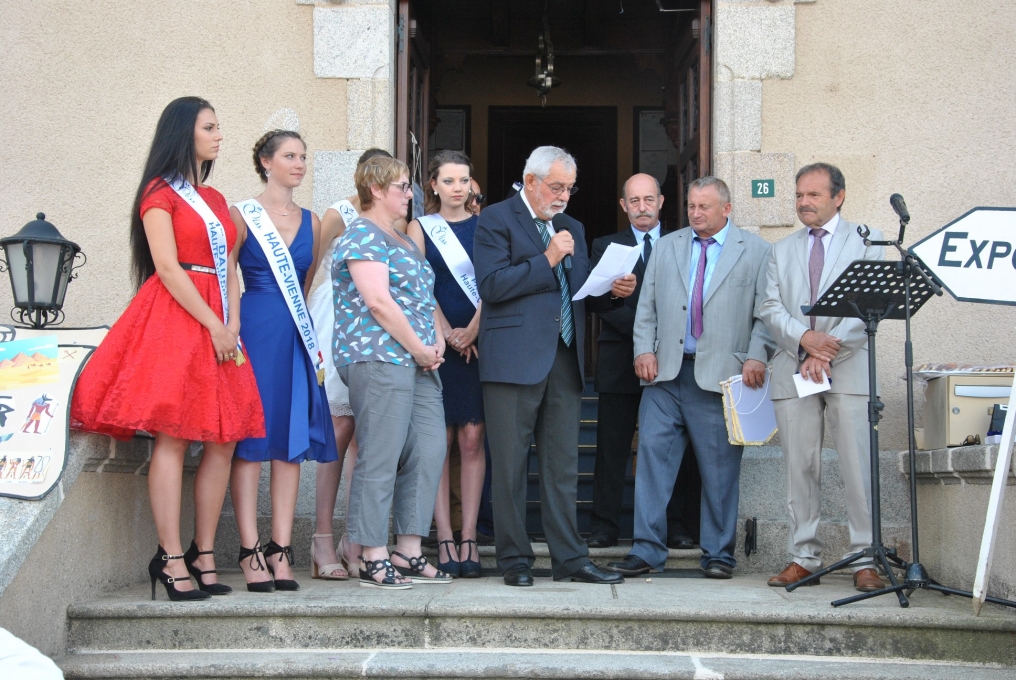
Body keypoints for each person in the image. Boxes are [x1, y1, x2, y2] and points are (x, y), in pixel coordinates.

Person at [71, 96, 265, 601]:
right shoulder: (159, 192)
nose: (219, 136)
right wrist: (214, 324)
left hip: (220, 317)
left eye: (218, 127)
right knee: (174, 436)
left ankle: (205, 553)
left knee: (224, 438)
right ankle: (170, 556)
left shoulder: (216, 199)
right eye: (209, 127)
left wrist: (232, 322)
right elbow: (167, 267)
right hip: (179, 315)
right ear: (184, 133)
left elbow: (229, 268)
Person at [473, 145, 635, 587]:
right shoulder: (495, 219)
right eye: (557, 187)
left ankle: (570, 559)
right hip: (512, 362)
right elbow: (491, 286)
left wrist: (613, 291)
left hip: (564, 359)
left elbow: (580, 292)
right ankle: (514, 560)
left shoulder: (572, 227)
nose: (564, 196)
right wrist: (546, 258)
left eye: (569, 188)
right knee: (510, 467)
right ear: (531, 181)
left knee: (562, 466)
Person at [605, 177, 773, 579]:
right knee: (651, 464)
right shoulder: (667, 246)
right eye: (691, 206)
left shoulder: (757, 250)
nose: (695, 214)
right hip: (665, 375)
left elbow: (766, 312)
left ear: (726, 209)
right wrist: (643, 350)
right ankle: (647, 550)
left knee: (719, 472)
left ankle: (718, 554)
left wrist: (757, 355)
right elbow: (646, 308)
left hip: (720, 377)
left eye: (704, 207)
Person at [760, 163, 885, 593]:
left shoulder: (867, 241)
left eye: (813, 195)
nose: (804, 202)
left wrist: (826, 351)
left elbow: (870, 306)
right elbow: (770, 308)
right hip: (794, 364)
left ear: (839, 196)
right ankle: (804, 558)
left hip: (846, 367)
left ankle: (865, 558)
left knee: (857, 466)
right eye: (799, 195)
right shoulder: (781, 250)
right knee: (800, 466)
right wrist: (805, 342)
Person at [228, 130, 339, 592]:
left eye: (303, 157)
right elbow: (227, 277)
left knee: (290, 444)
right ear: (265, 162)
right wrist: (231, 329)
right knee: (251, 441)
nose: (299, 164)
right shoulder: (240, 214)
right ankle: (249, 549)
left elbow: (306, 284)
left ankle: (281, 548)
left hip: (295, 335)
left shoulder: (312, 221)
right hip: (254, 331)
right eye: (290, 156)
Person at [333, 155, 450, 589]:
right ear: (376, 189)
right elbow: (379, 302)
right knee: (381, 454)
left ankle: (408, 551)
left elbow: (422, 299)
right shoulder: (362, 233)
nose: (409, 194)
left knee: (429, 448)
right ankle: (371, 554)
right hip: (379, 356)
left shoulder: (401, 238)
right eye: (402, 186)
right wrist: (419, 347)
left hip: (419, 359)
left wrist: (436, 339)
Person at [585, 173, 702, 550]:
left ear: (662, 202)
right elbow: (595, 302)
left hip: (671, 362)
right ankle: (604, 526)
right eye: (634, 201)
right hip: (619, 361)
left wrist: (659, 339)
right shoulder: (606, 245)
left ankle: (675, 524)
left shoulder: (683, 244)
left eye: (648, 199)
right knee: (611, 449)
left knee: (671, 449)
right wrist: (643, 333)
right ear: (624, 205)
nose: (642, 207)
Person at [309, 147, 395, 580]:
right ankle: (322, 538)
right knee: (340, 429)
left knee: (368, 436)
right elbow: (310, 269)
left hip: (379, 325)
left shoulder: (394, 221)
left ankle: (356, 539)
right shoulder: (339, 213)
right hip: (337, 318)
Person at [407, 150, 485, 578]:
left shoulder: (485, 226)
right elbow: (420, 285)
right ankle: (444, 539)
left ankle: (469, 536)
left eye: (464, 180)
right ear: (433, 185)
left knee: (472, 440)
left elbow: (493, 284)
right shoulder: (420, 227)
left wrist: (472, 330)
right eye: (449, 180)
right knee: (439, 444)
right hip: (436, 344)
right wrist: (447, 334)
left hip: (478, 342)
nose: (457, 188)